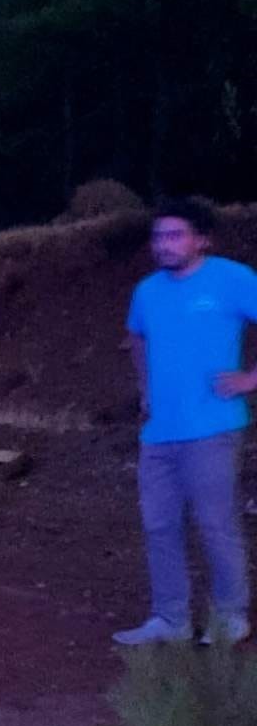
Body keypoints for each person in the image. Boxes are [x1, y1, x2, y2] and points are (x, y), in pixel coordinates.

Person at [117, 198, 257, 647]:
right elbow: (136, 336)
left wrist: (249, 379)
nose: (165, 244)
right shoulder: (147, 291)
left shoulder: (233, 279)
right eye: (159, 236)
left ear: (202, 239)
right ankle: (170, 619)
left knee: (216, 524)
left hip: (213, 429)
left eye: (176, 235)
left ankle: (230, 618)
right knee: (159, 525)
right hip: (159, 433)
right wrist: (146, 390)